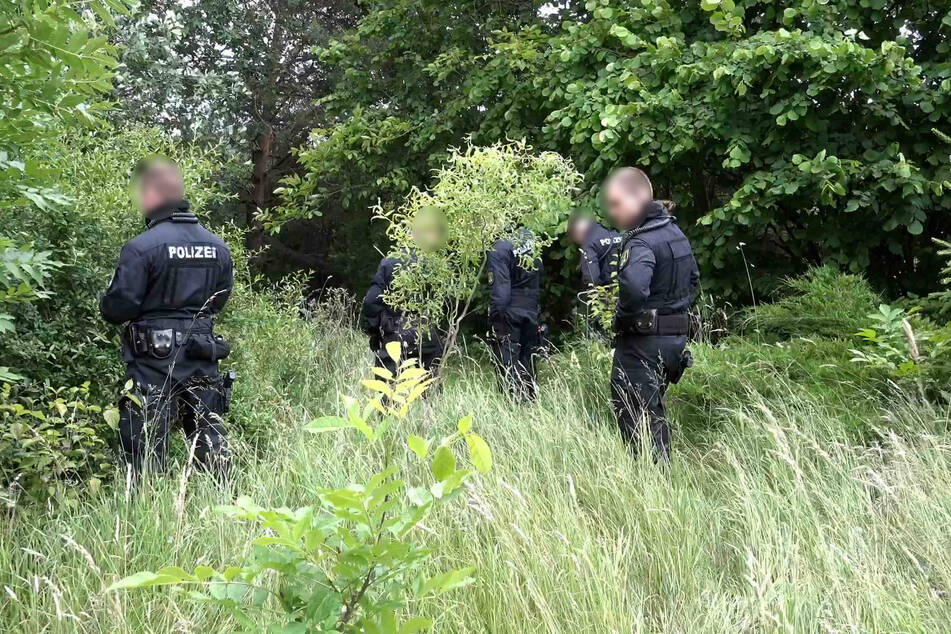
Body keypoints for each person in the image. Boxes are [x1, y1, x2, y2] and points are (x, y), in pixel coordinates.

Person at [100, 158, 234, 479]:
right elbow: (219, 301)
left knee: (145, 452)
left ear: (151, 194)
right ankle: (225, 518)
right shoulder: (218, 248)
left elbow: (117, 309)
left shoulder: (141, 248)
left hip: (152, 365)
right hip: (202, 357)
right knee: (211, 446)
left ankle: (148, 518)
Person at [604, 167, 699, 459]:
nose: (613, 213)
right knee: (651, 412)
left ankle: (652, 484)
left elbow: (633, 288)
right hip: (674, 339)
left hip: (643, 342)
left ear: (638, 198)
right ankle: (658, 479)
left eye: (616, 204)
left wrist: (622, 319)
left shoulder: (642, 239)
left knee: (637, 420)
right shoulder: (674, 232)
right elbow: (694, 279)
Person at [360, 206, 447, 375]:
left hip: (395, 332)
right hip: (428, 333)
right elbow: (446, 303)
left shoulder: (390, 262)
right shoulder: (437, 264)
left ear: (410, 234)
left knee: (389, 391)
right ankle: (431, 401)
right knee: (431, 389)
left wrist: (374, 332)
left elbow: (372, 302)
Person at [487, 228, 543, 400]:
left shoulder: (499, 248)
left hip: (509, 312)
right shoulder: (529, 237)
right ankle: (529, 401)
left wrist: (495, 318)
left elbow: (500, 290)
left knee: (508, 362)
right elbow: (539, 271)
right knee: (528, 358)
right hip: (531, 306)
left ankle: (512, 404)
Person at [567, 214, 623, 288]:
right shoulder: (614, 232)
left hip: (610, 292)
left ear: (578, 233)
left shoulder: (589, 243)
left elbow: (591, 277)